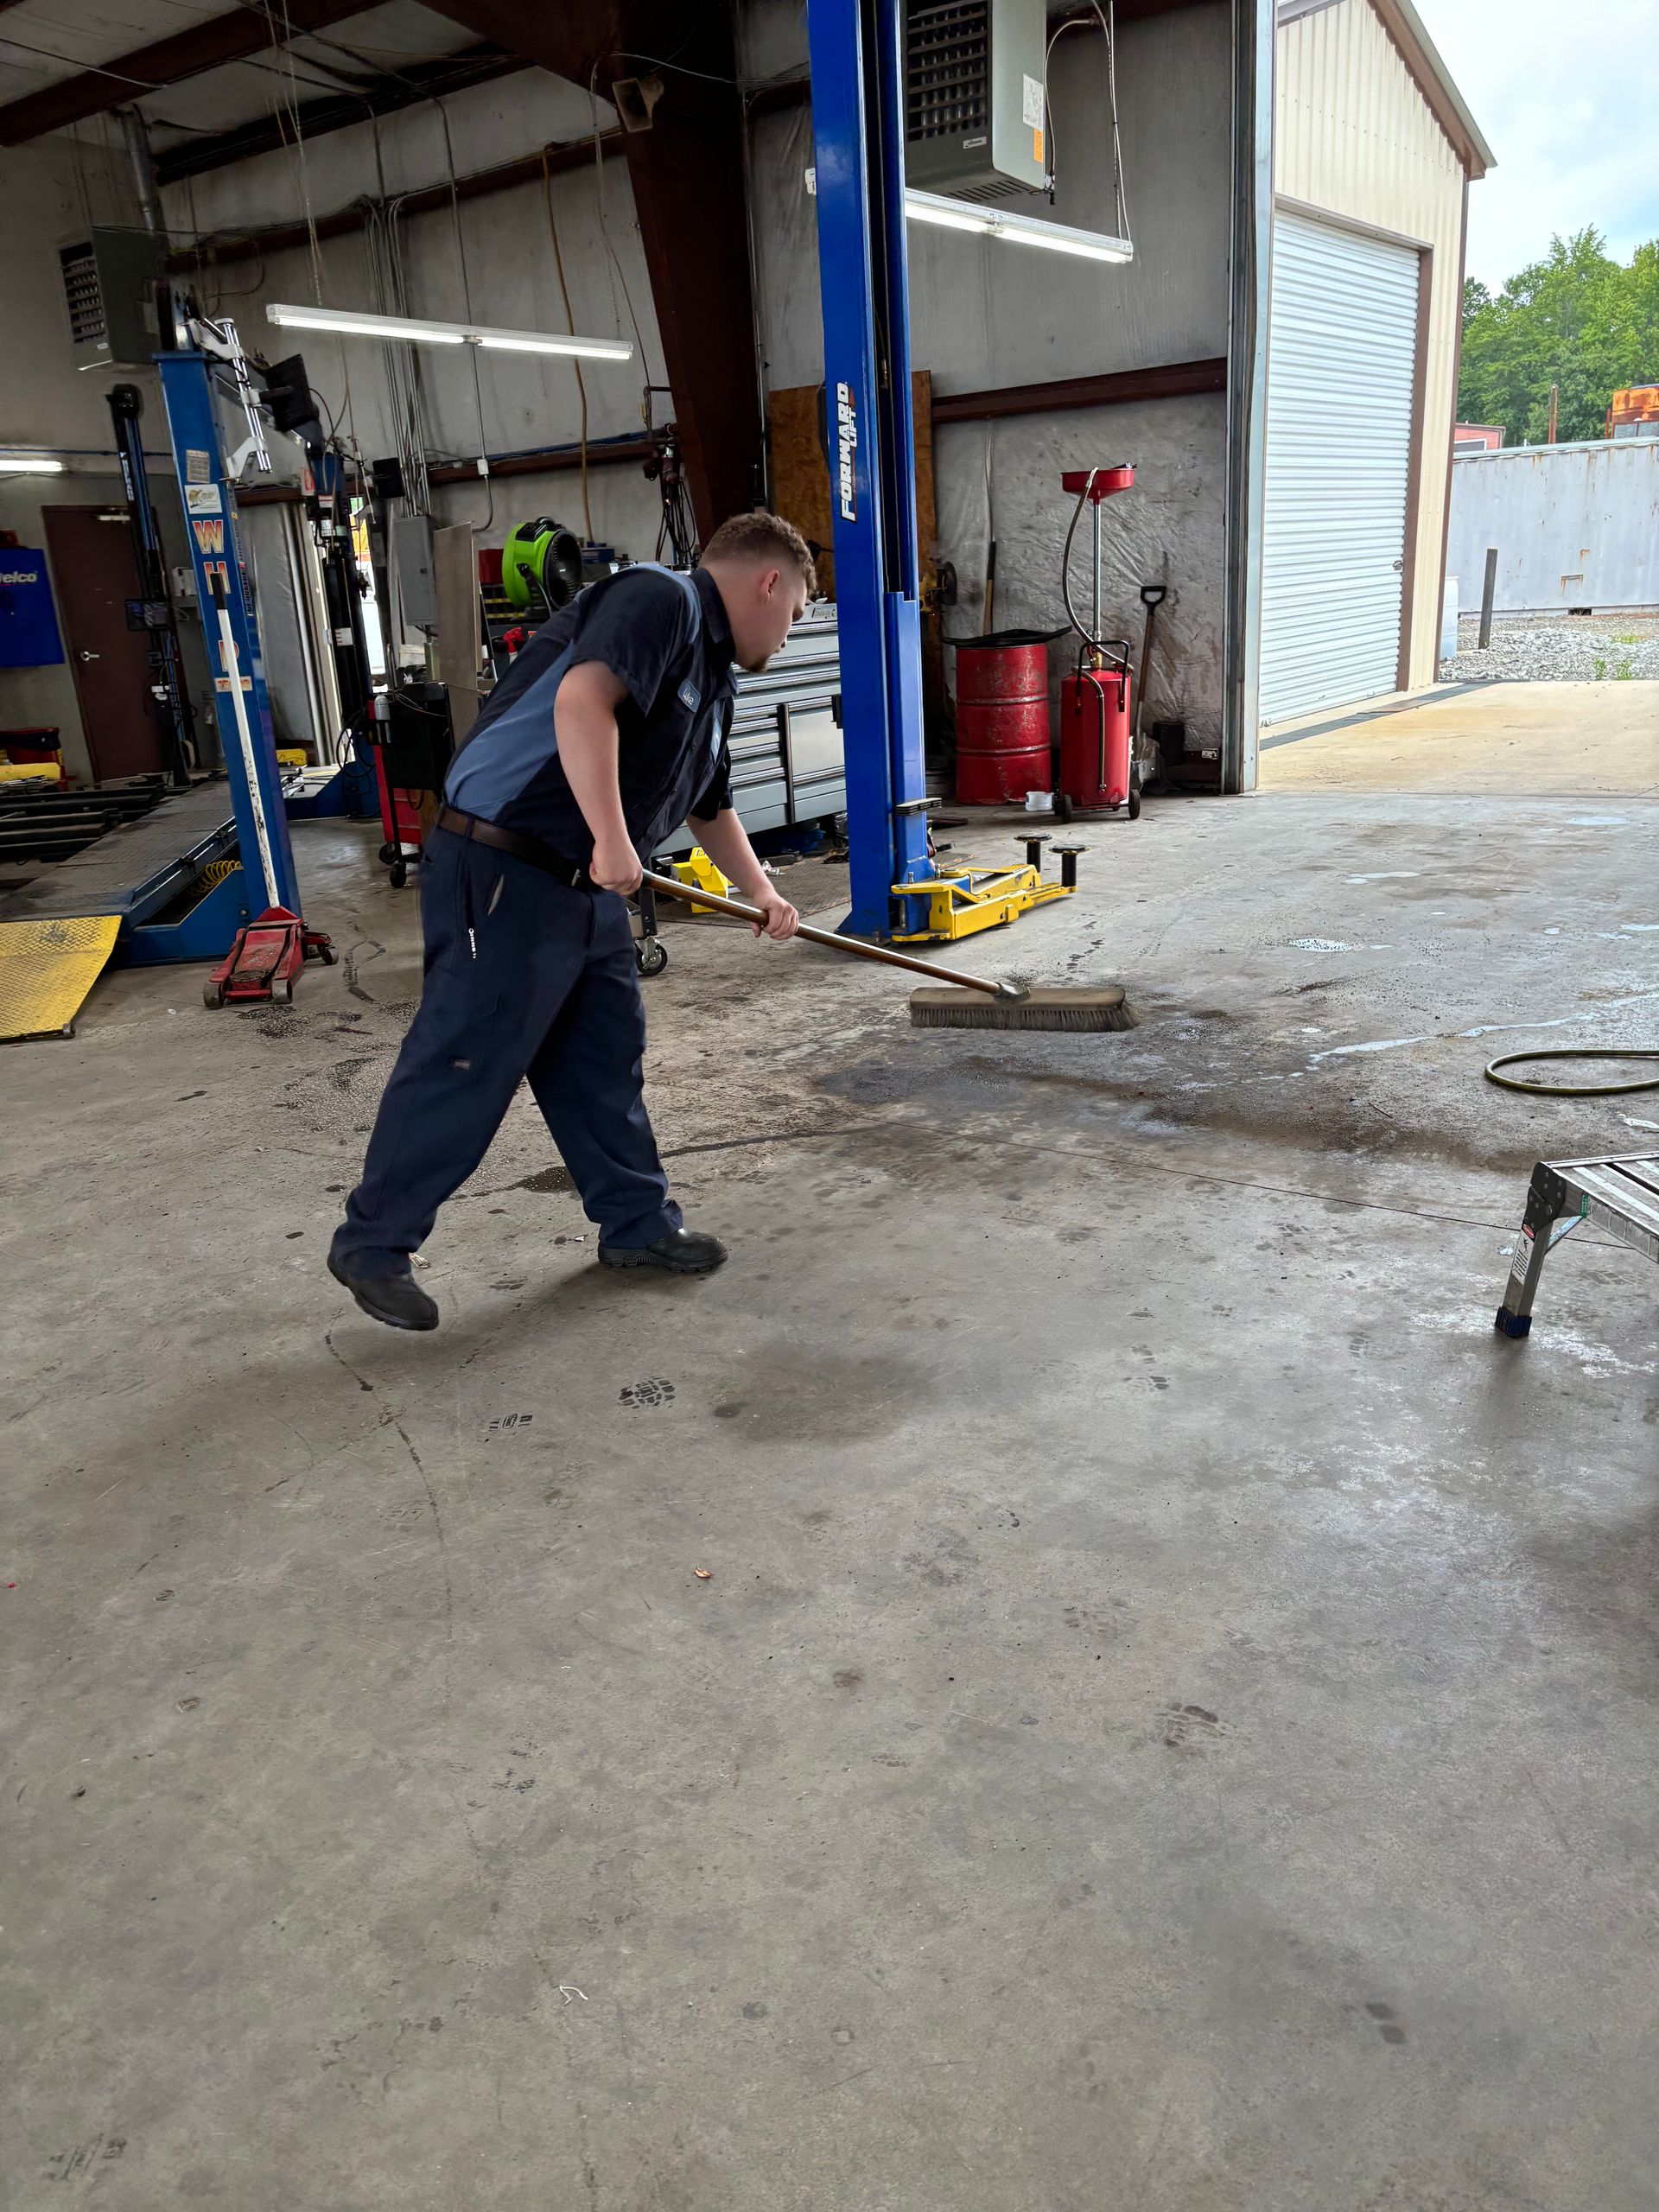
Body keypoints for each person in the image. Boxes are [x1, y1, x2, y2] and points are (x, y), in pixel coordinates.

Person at [327, 511, 814, 1332]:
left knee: (601, 1062)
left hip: (581, 886)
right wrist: (615, 840)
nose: (790, 634)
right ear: (770, 582)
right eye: (796, 612)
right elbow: (583, 699)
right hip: (503, 864)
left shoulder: (713, 678)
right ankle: (372, 1244)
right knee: (466, 1054)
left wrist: (762, 892)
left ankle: (635, 1225)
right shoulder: (661, 600)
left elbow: (709, 806)